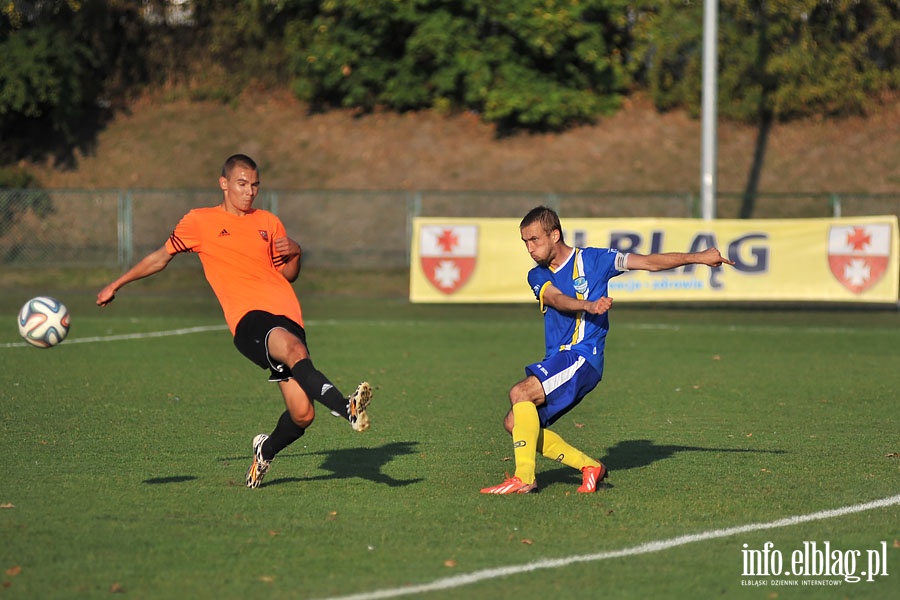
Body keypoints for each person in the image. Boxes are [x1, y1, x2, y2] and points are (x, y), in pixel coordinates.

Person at [97, 154, 372, 489]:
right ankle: (346, 408)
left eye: (255, 185)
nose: (250, 192)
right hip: (249, 320)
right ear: (224, 183)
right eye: (242, 184)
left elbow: (287, 274)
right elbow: (160, 257)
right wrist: (117, 283)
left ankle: (265, 450)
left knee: (302, 414)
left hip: (287, 313)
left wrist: (297, 252)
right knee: (292, 348)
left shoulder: (269, 223)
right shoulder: (199, 221)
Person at [481, 206, 734, 494]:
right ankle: (590, 467)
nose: (529, 248)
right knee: (515, 422)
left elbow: (649, 262)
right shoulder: (536, 275)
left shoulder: (595, 260)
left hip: (582, 357)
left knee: (520, 393)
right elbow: (557, 299)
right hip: (560, 360)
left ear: (555, 234)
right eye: (525, 242)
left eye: (534, 240)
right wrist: (588, 305)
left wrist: (699, 257)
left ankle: (524, 478)